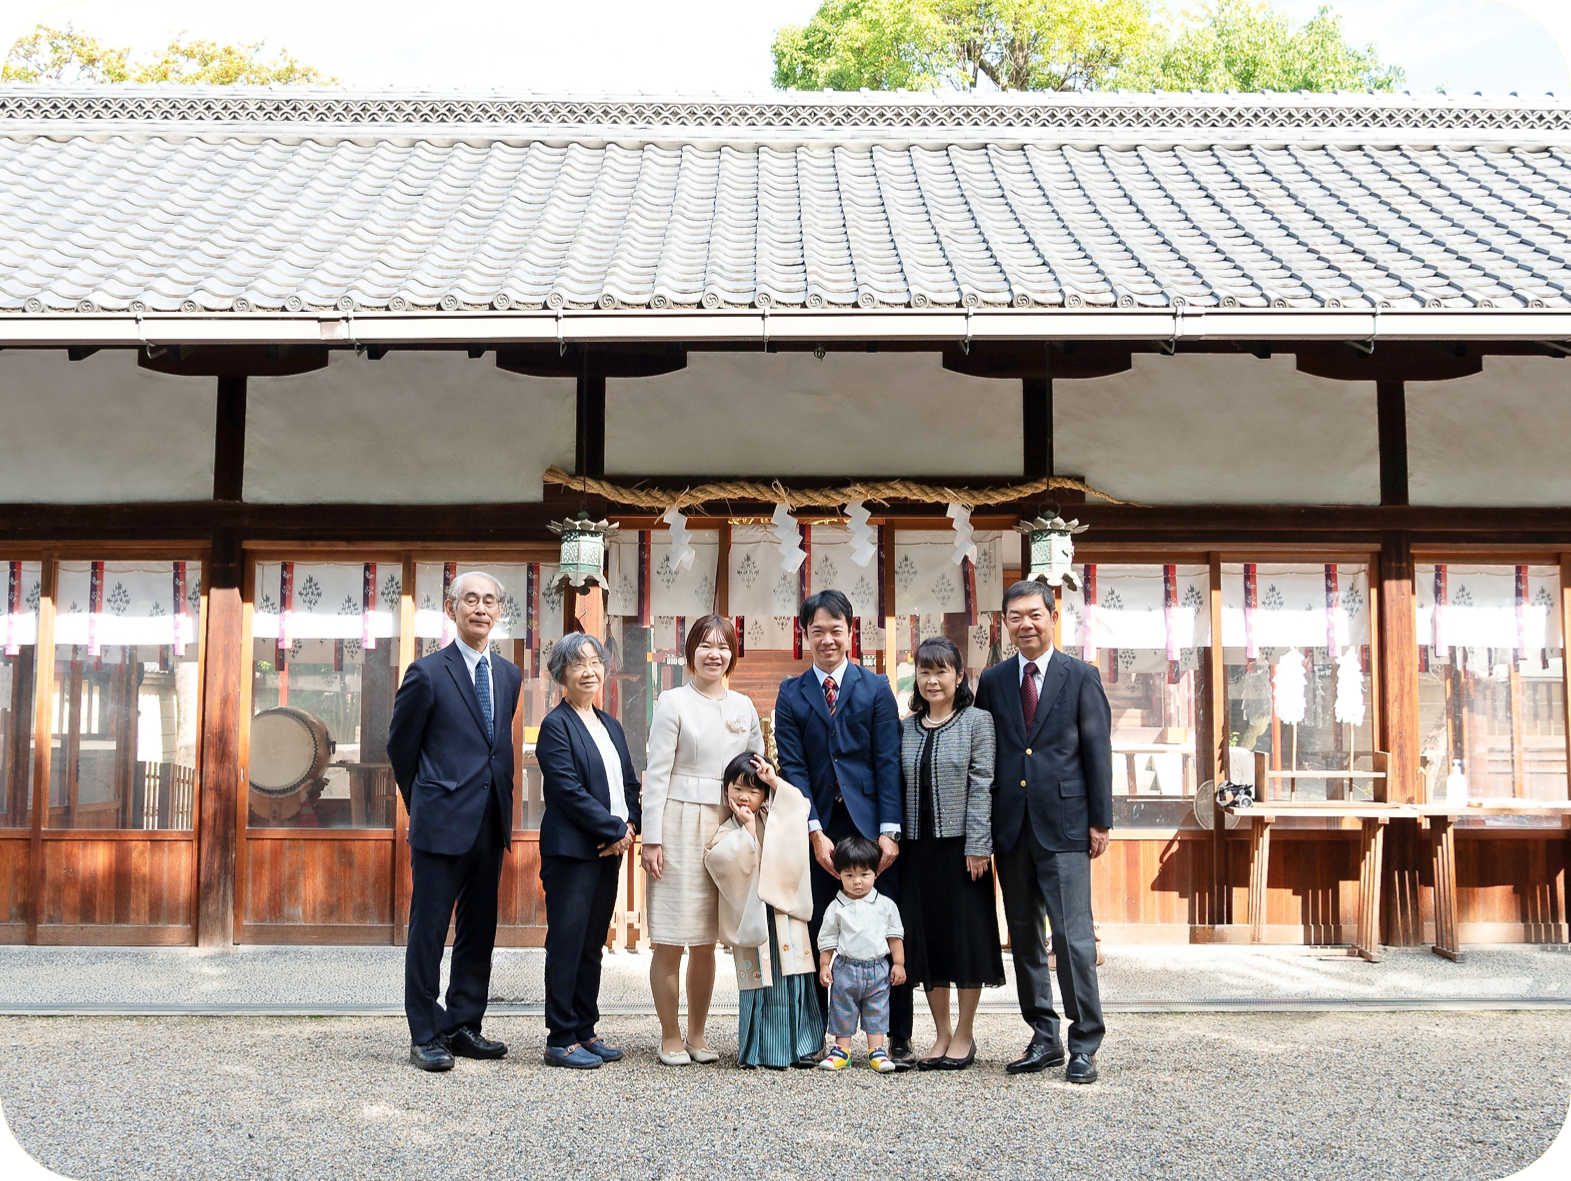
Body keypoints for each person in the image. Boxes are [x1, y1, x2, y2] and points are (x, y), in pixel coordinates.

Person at [973, 579, 1113, 1084]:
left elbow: (1097, 751)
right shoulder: (992, 680)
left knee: (1073, 938)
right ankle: (1044, 1035)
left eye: (1034, 614)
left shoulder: (1081, 676)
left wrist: (1100, 820)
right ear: (1005, 623)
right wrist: (981, 829)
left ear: (1053, 617)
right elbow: (986, 755)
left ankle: (1084, 1042)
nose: (1025, 624)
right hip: (1011, 828)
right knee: (1026, 937)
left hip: (1066, 825)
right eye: (1016, 616)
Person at [388, 570, 522, 1072]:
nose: (480, 609)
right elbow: (401, 747)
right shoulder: (427, 673)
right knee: (429, 928)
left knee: (478, 927)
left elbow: (493, 748)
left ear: (499, 611)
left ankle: (465, 1022)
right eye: (471, 600)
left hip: (490, 820)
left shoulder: (507, 675)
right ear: (451, 608)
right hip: (440, 820)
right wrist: (422, 800)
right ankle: (425, 1032)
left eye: (490, 601)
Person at [642, 616, 763, 1066]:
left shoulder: (744, 705)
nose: (715, 654)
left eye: (724, 646)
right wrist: (651, 838)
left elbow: (756, 767)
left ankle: (697, 1032)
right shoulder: (673, 702)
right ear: (690, 651)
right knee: (674, 935)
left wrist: (755, 809)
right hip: (678, 822)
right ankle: (669, 1034)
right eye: (706, 645)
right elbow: (656, 773)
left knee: (708, 940)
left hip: (727, 823)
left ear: (733, 653)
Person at [534, 631, 642, 1070]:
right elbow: (568, 791)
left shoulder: (610, 724)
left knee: (593, 943)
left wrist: (631, 824)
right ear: (562, 673)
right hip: (573, 853)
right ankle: (560, 1037)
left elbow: (629, 782)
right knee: (567, 941)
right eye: (578, 664)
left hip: (609, 850)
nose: (589, 671)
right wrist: (614, 828)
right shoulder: (555, 726)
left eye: (595, 662)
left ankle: (584, 1028)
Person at [898, 636, 1003, 1072]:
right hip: (916, 849)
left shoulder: (977, 722)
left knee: (964, 938)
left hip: (962, 850)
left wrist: (979, 845)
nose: (932, 680)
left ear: (959, 676)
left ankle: (964, 1033)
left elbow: (983, 785)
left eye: (941, 671)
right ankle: (940, 1032)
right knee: (926, 940)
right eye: (925, 671)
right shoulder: (905, 727)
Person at [704, 752, 820, 1070]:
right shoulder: (727, 830)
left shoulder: (776, 815)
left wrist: (773, 780)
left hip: (784, 911)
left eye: (754, 790)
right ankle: (760, 1050)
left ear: (764, 795)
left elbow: (799, 806)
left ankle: (801, 1048)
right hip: (757, 915)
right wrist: (747, 831)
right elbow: (721, 861)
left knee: (793, 976)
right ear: (726, 790)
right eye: (738, 788)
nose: (745, 796)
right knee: (761, 981)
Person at [815, 836, 906, 1073]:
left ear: (875, 872)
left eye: (864, 875)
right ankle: (841, 1051)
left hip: (878, 968)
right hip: (845, 968)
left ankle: (876, 1051)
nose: (857, 882)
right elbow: (827, 939)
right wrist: (825, 965)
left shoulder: (885, 905)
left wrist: (898, 963)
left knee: (877, 1008)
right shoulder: (836, 907)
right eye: (849, 875)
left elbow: (894, 936)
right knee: (842, 1008)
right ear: (839, 875)